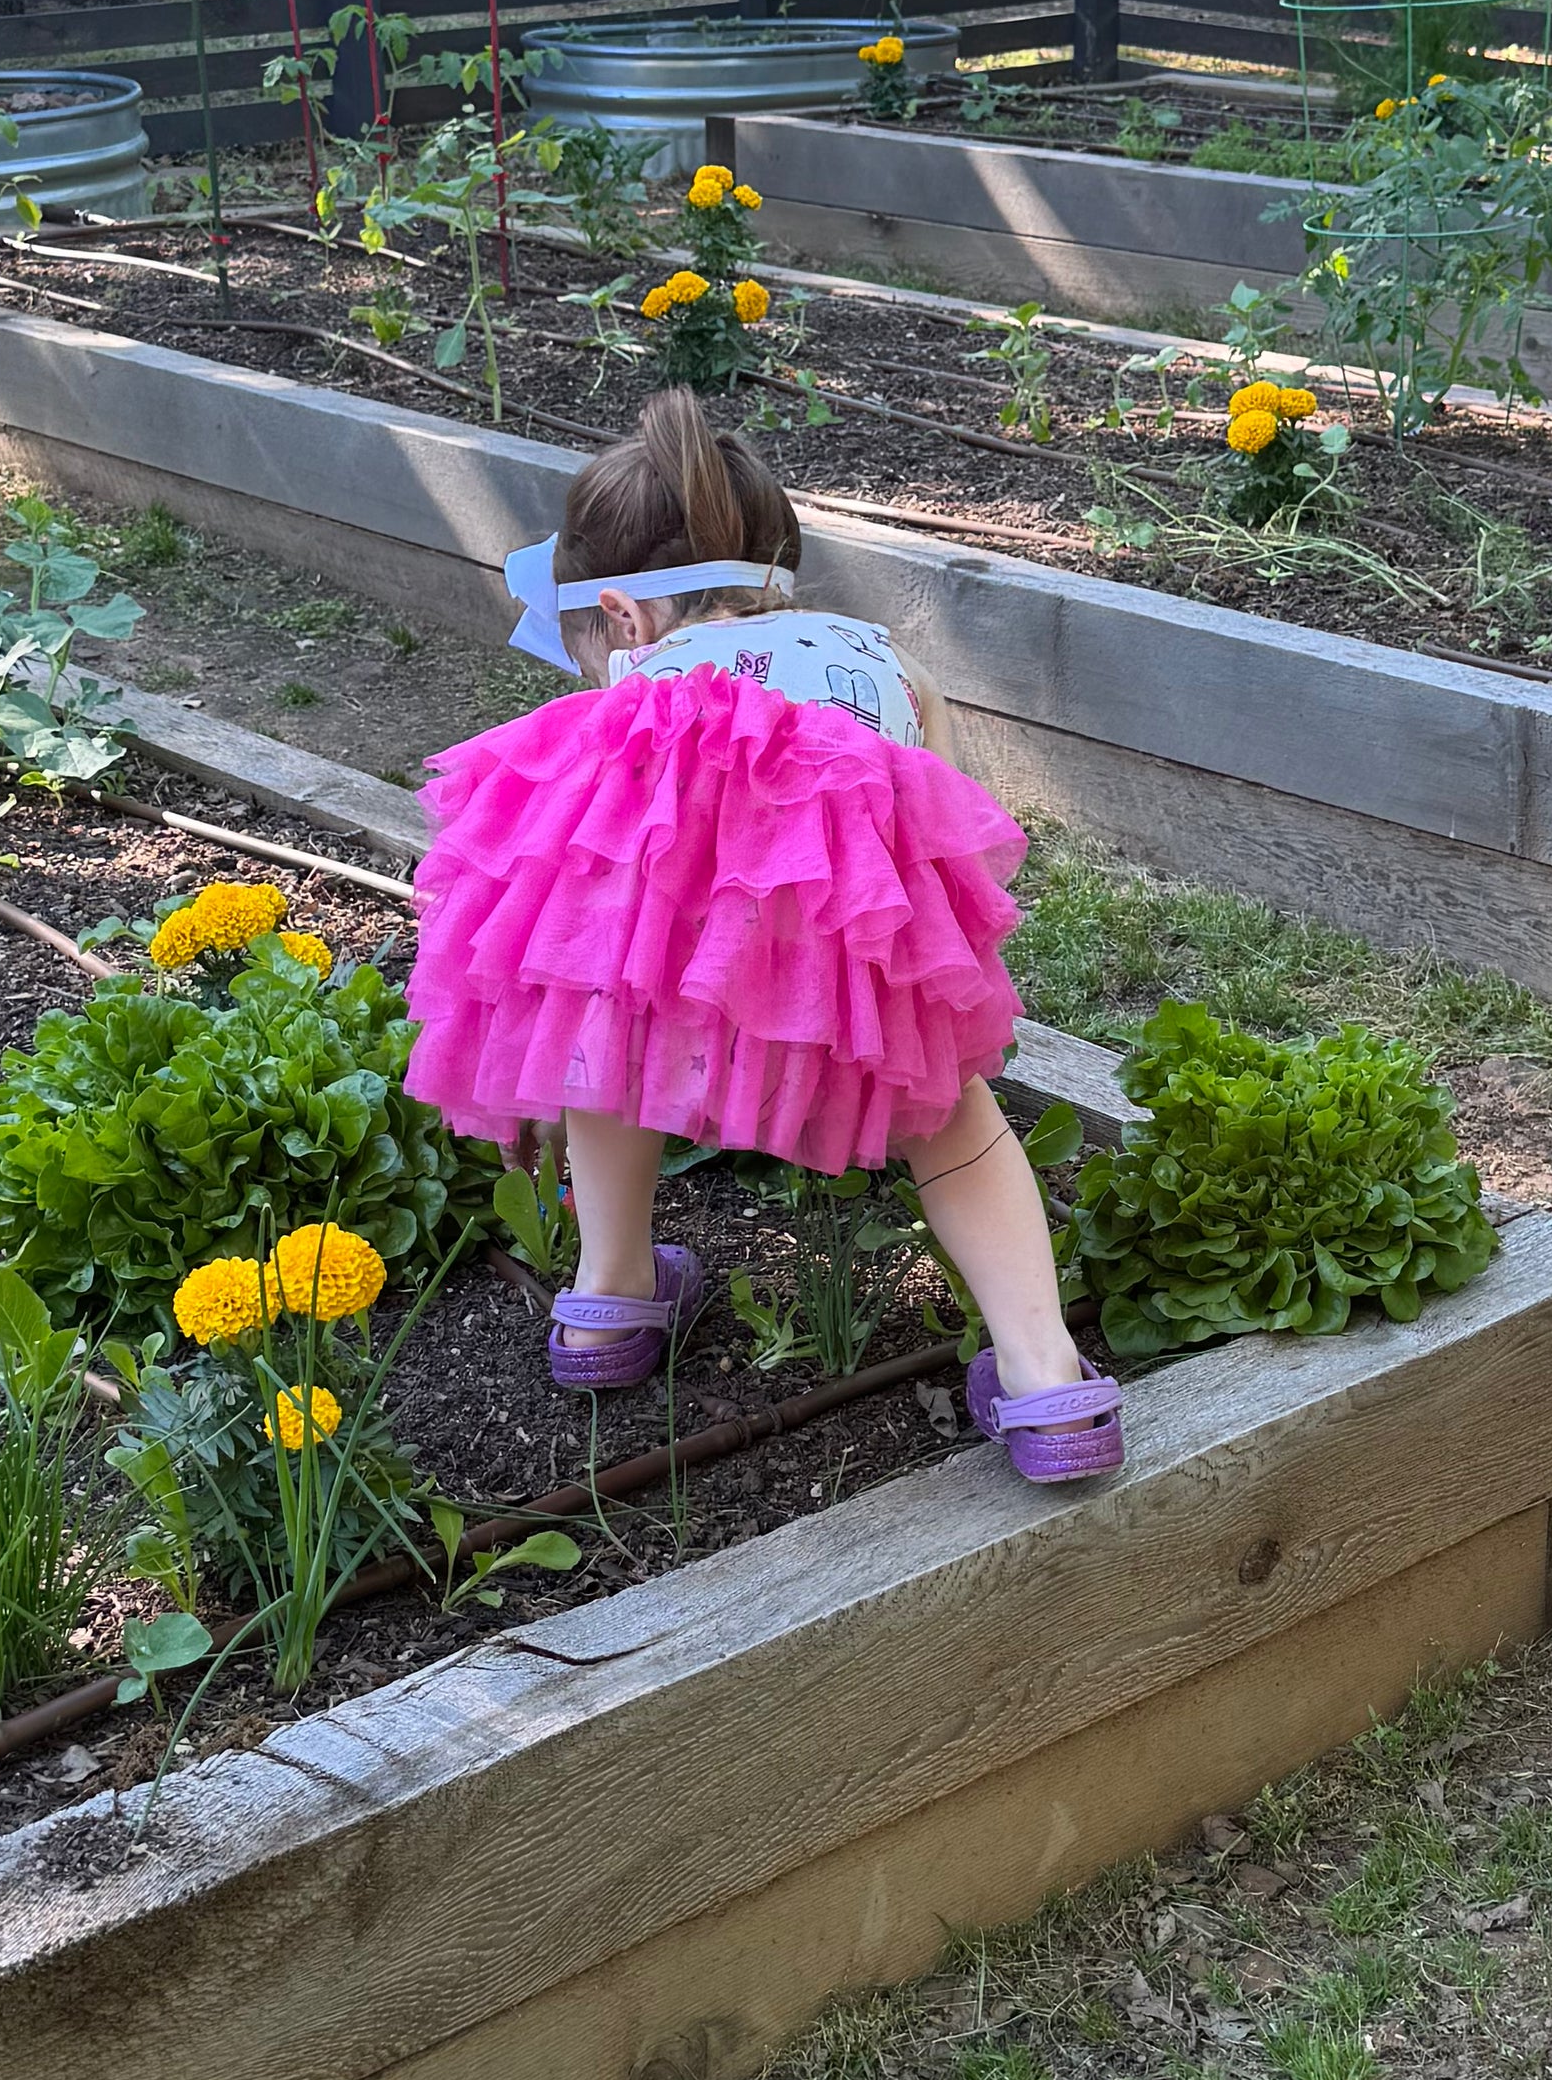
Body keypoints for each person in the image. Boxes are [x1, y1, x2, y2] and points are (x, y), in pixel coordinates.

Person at [404, 388, 1123, 1482]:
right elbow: (947, 836)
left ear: (622, 615)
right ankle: (1045, 1378)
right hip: (844, 954)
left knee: (605, 1037)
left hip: (661, 953)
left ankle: (609, 1298)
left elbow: (565, 860)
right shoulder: (888, 666)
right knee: (954, 1120)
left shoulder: (632, 689)